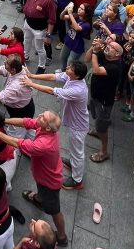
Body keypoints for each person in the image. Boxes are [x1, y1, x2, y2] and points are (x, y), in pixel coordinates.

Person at [0, 109, 68, 245]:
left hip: (50, 182)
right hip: (42, 175)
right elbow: (25, 122)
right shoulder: (45, 127)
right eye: (42, 114)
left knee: (55, 211)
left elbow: (17, 143)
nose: (40, 116)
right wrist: (3, 120)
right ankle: (39, 199)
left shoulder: (43, 145)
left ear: (48, 127)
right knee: (40, 188)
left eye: (43, 117)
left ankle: (61, 236)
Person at [27, 61, 90, 190]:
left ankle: (77, 180)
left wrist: (30, 84)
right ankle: (73, 164)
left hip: (78, 126)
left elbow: (51, 90)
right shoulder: (70, 76)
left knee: (78, 152)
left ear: (77, 76)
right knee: (74, 149)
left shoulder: (78, 90)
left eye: (70, 68)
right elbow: (52, 77)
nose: (67, 68)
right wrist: (32, 76)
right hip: (73, 121)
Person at [85, 38, 125, 163]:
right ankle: (98, 130)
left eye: (112, 47)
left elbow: (96, 70)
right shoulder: (104, 54)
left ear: (117, 54)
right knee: (95, 115)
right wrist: (93, 47)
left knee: (102, 127)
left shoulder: (116, 67)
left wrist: (96, 52)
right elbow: (87, 59)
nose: (108, 46)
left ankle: (104, 152)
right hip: (95, 94)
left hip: (104, 101)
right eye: (108, 44)